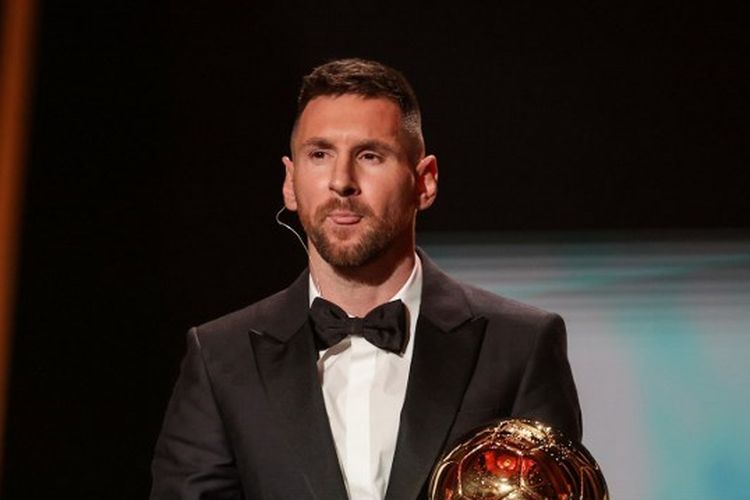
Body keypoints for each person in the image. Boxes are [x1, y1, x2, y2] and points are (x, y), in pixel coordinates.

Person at [151, 58, 581, 500]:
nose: (341, 181)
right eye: (320, 154)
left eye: (370, 155)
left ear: (425, 182)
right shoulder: (222, 357)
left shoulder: (518, 346)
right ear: (290, 181)